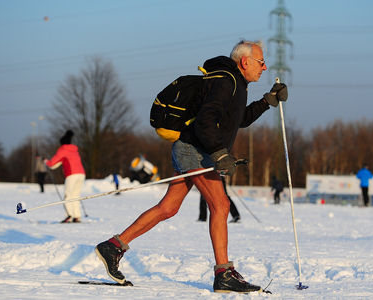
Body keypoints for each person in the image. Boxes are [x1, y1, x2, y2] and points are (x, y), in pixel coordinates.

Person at [95, 40, 288, 293]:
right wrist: (220, 153)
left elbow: (236, 120)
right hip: (195, 151)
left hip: (193, 149)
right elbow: (206, 120)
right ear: (245, 62)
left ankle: (113, 247)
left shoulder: (235, 84)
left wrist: (267, 101)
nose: (264, 68)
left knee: (168, 208)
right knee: (221, 205)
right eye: (261, 62)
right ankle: (224, 273)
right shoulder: (227, 81)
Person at [45, 130, 86, 223]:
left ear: (62, 143)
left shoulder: (63, 150)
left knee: (68, 195)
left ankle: (69, 216)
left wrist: (45, 161)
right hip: (81, 174)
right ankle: (77, 216)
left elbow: (52, 164)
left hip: (72, 174)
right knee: (75, 195)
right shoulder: (75, 150)